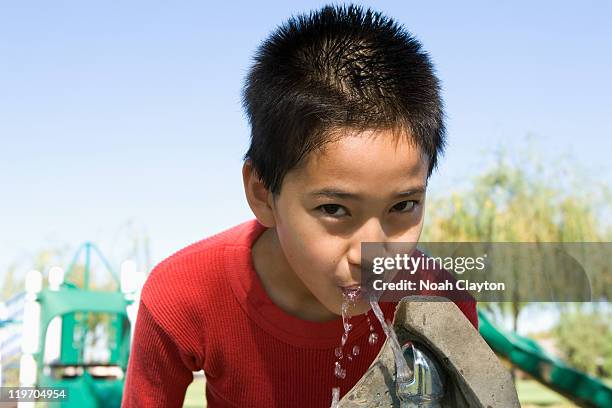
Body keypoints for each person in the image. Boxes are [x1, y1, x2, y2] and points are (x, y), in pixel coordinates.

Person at [121, 4, 478, 407]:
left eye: (403, 206)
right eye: (334, 209)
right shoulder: (184, 293)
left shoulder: (438, 303)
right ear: (262, 193)